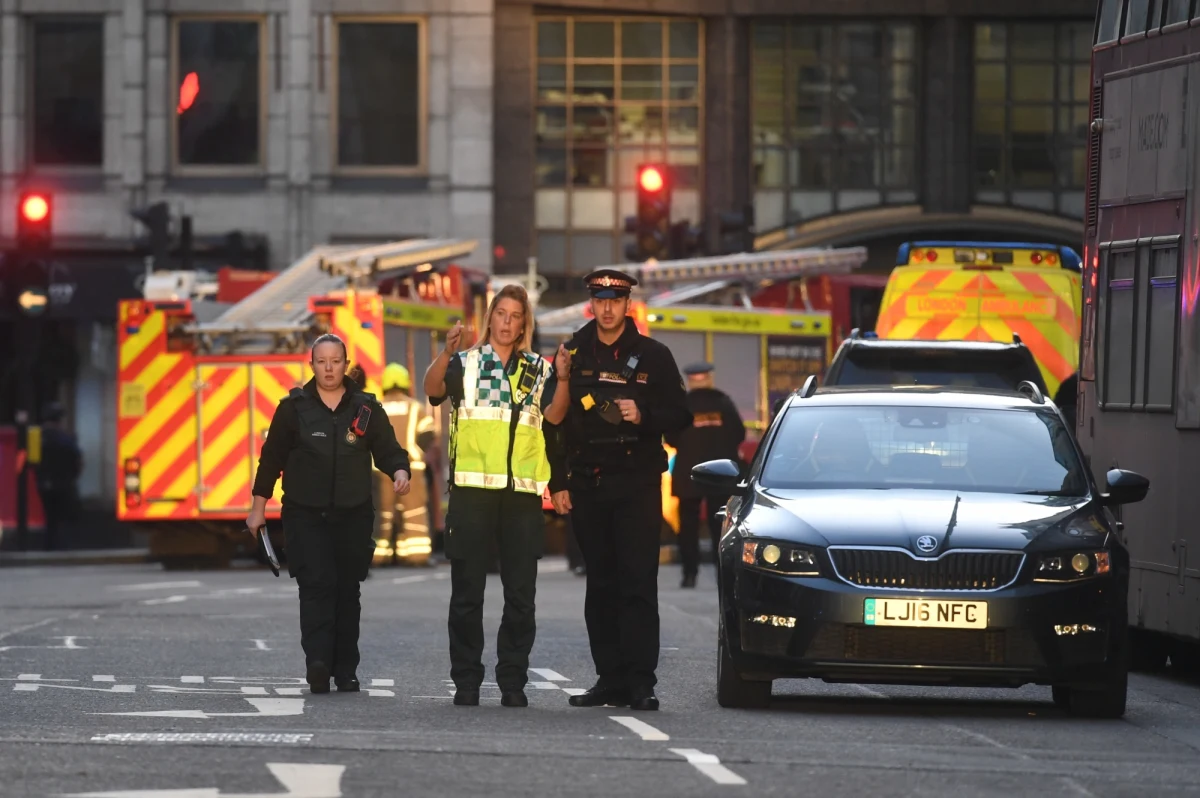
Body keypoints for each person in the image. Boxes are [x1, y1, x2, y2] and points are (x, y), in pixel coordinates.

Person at [548, 269, 692, 711]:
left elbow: (681, 417)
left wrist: (643, 412)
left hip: (636, 484)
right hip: (589, 484)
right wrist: (558, 482)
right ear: (591, 303)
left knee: (637, 584)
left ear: (628, 303)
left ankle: (640, 682)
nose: (607, 308)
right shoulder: (571, 351)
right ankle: (608, 679)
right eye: (600, 300)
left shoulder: (653, 354)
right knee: (601, 585)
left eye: (616, 300)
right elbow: (553, 422)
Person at [424, 284, 571, 708]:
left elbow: (556, 416)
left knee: (521, 597)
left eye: (515, 316)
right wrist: (446, 353)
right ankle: (466, 680)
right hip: (472, 493)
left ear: (524, 323)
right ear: (491, 318)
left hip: (522, 497)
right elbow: (433, 389)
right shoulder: (467, 363)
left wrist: (562, 378)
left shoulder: (538, 370)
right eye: (501, 314)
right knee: (467, 594)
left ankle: (513, 680)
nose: (507, 322)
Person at [247, 334, 412, 695]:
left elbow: (389, 449)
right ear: (312, 365)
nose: (328, 368)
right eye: (321, 362)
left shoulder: (365, 408)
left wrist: (400, 471)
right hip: (305, 516)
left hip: (352, 517)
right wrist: (258, 508)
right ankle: (318, 664)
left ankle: (346, 669)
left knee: (346, 592)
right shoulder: (293, 408)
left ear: (345, 362)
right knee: (316, 586)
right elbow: (271, 459)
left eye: (335, 361)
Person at [666, 363, 745, 588]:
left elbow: (671, 437)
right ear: (709, 378)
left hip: (688, 473)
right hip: (720, 475)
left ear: (690, 380)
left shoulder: (681, 405)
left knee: (688, 526)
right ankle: (723, 574)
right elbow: (738, 433)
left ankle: (689, 573)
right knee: (719, 526)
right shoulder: (724, 403)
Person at [377, 363, 437, 566]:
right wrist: (417, 453)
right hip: (411, 469)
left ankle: (378, 555)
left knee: (382, 513)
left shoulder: (374, 407)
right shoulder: (415, 408)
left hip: (380, 471)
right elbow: (428, 435)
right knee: (413, 512)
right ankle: (415, 556)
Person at [36, 402, 82, 551]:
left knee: (50, 518)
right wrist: (72, 478)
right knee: (63, 518)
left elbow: (29, 461)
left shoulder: (37, 438)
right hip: (63, 484)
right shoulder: (66, 439)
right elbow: (77, 460)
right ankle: (62, 548)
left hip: (44, 484)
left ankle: (48, 546)